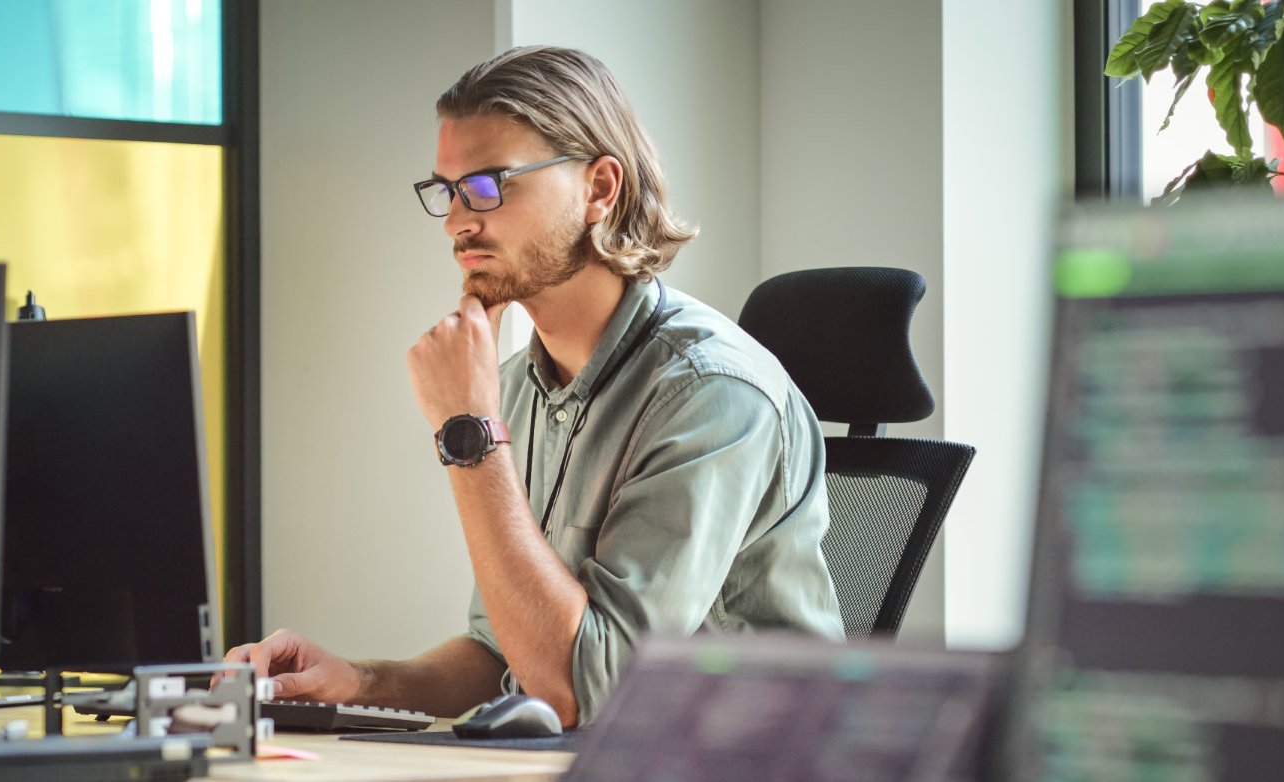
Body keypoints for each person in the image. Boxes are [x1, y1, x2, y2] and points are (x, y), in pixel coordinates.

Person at [226, 46, 843, 727]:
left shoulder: (713, 394)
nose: (460, 221)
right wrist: (357, 680)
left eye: (490, 184)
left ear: (599, 189)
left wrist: (469, 435)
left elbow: (584, 691)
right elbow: (504, 656)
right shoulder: (518, 386)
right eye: (448, 191)